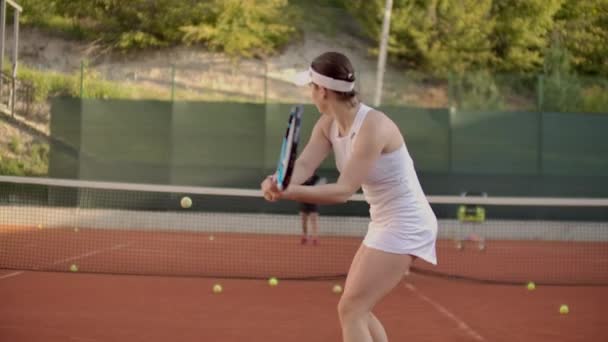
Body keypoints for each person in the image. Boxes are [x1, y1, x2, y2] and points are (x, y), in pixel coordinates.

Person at [261, 51, 437, 342]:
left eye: (311, 87)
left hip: (408, 223)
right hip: (383, 221)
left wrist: (287, 192)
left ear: (324, 91)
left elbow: (344, 190)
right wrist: (277, 180)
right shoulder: (328, 125)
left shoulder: (373, 126)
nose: (310, 94)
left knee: (352, 309)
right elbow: (303, 165)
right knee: (357, 308)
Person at [299, 173, 324, 245]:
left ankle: (315, 238)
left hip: (313, 202)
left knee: (314, 221)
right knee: (304, 221)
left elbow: (320, 190)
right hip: (303, 202)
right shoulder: (302, 178)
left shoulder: (317, 178)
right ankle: (304, 236)